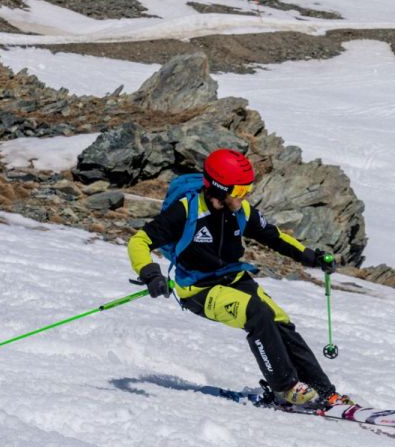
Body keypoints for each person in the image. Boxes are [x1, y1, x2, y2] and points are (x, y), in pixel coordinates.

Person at [127, 148, 354, 408]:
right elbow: (139, 240)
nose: (244, 196)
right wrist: (150, 273)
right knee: (256, 313)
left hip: (234, 279)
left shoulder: (241, 210)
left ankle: (324, 391)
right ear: (219, 189)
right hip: (199, 289)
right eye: (238, 191)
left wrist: (311, 257)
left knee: (279, 320)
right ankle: (285, 387)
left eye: (247, 189)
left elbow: (275, 237)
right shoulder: (187, 210)